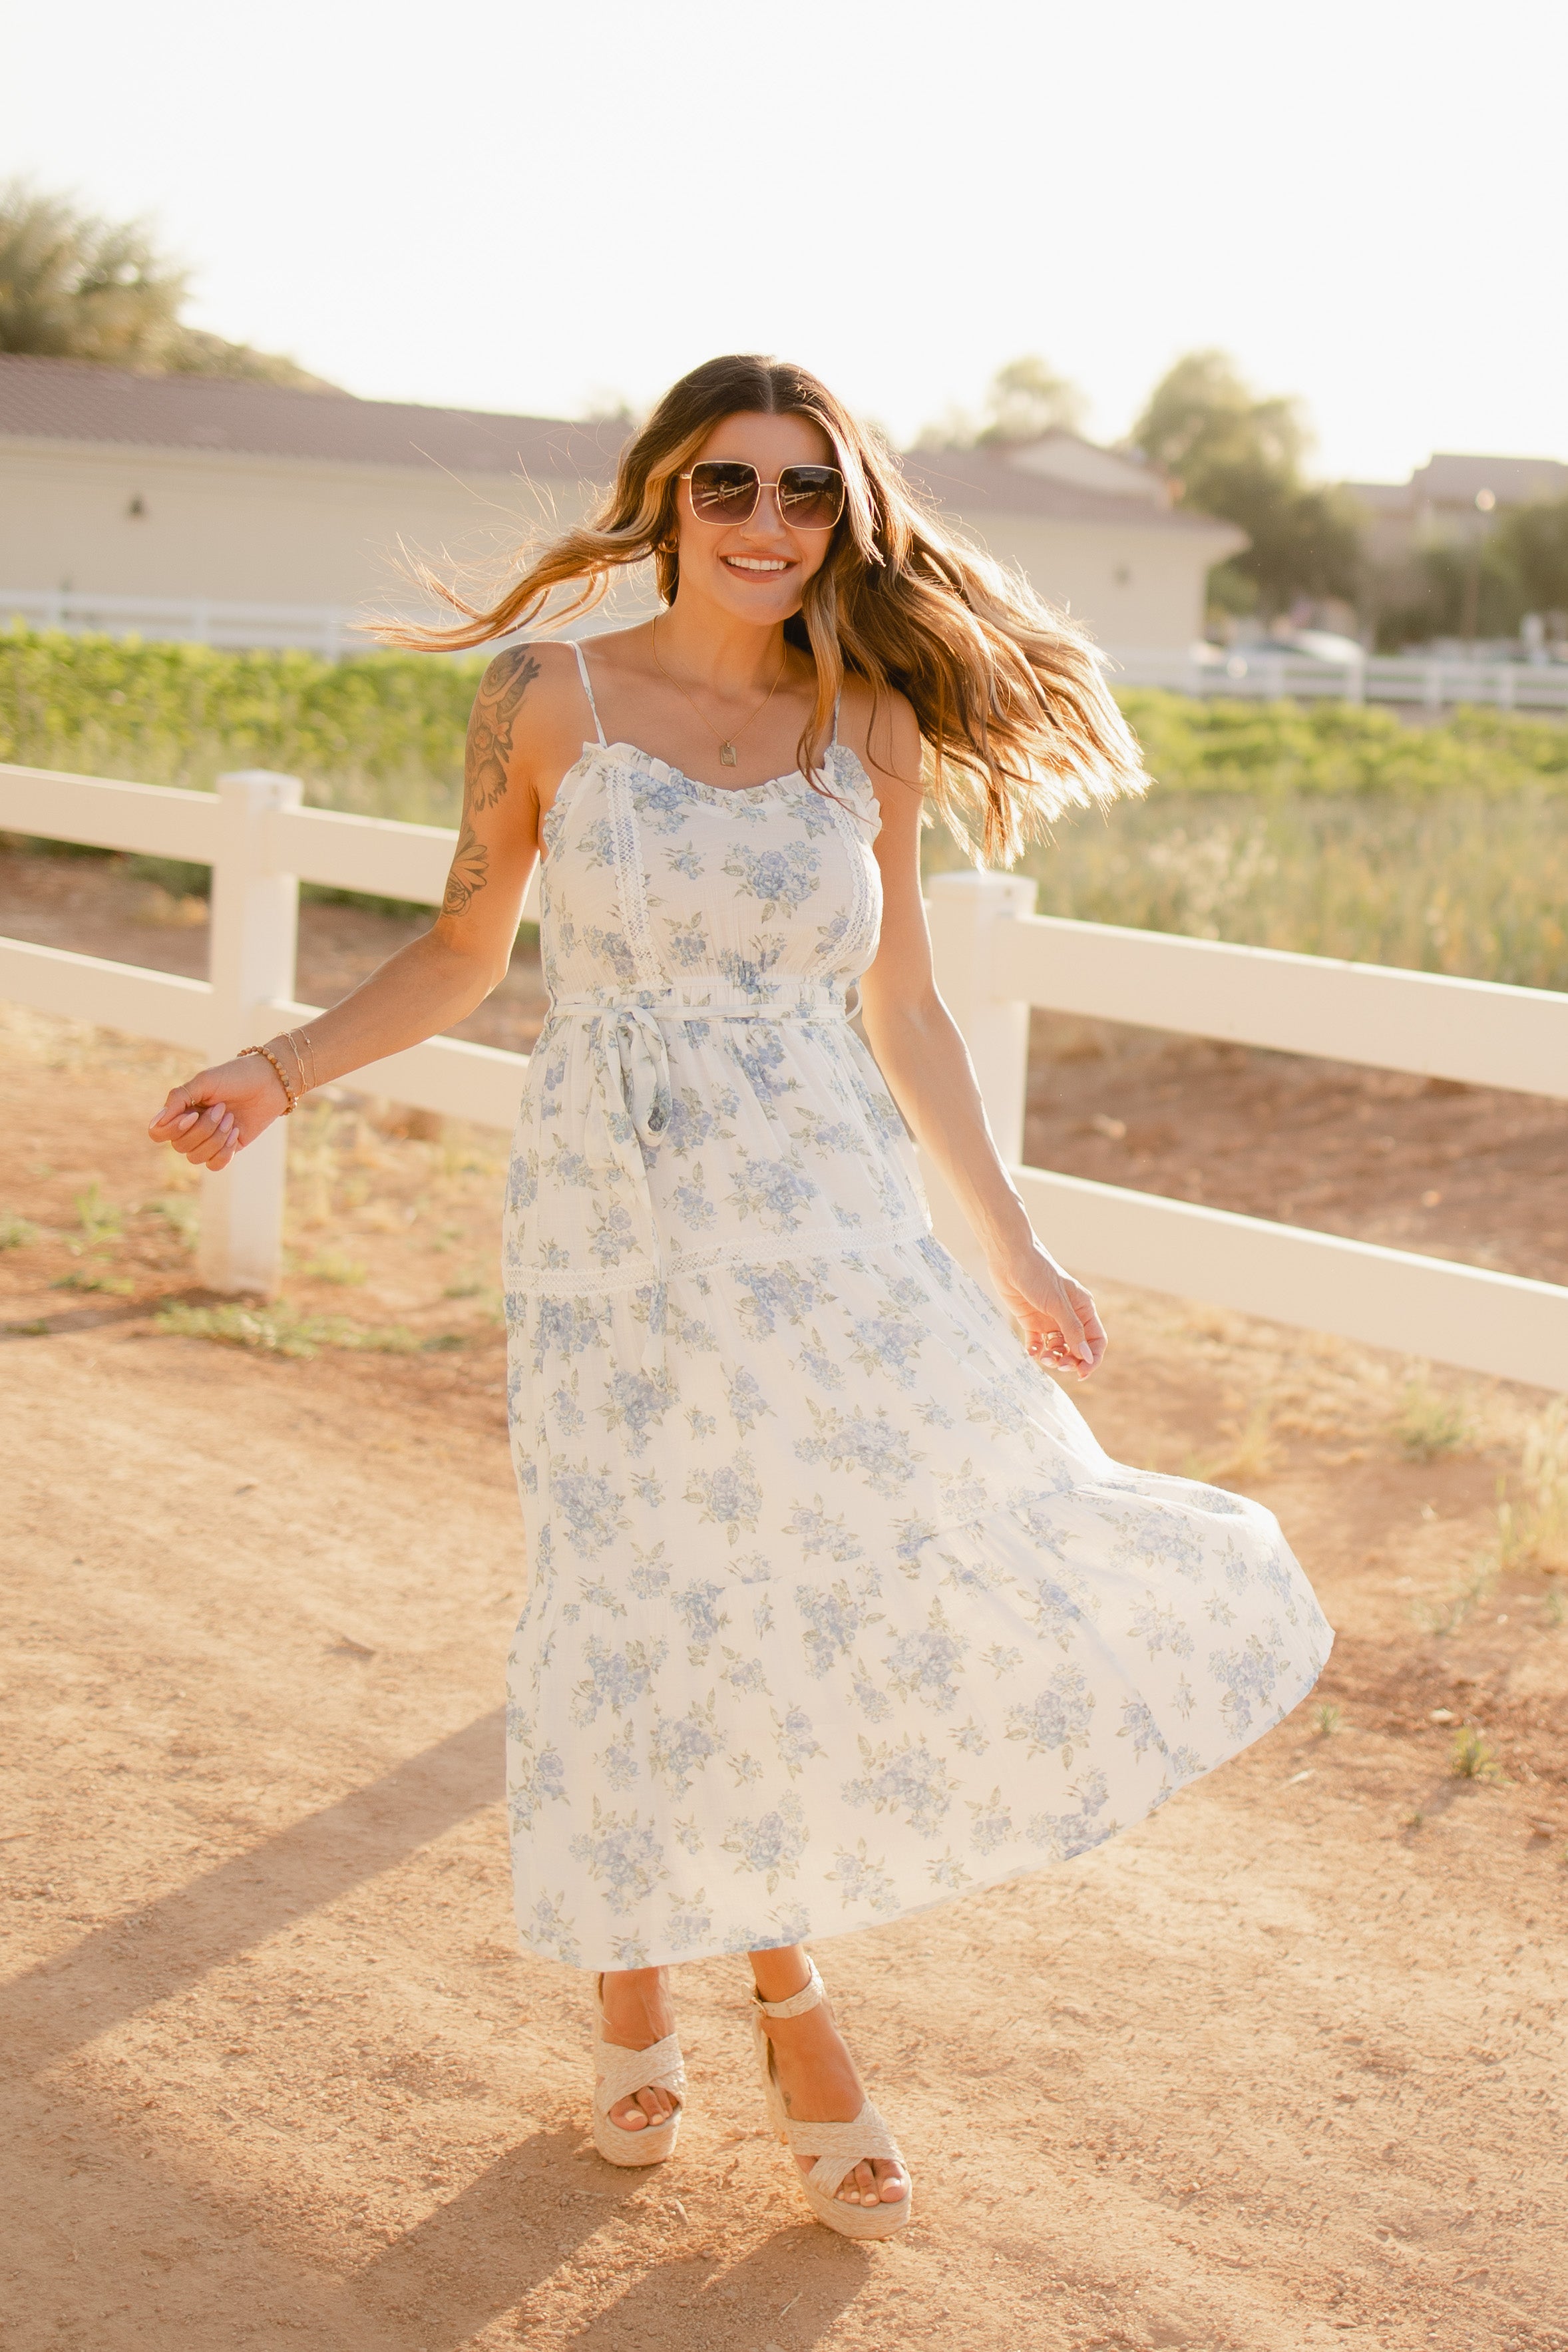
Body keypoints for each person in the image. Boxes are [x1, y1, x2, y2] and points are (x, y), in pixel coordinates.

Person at [149, 353, 1331, 2240]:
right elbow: (467, 949)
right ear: (664, 499)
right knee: (640, 1581)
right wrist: (279, 1071)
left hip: (823, 1218)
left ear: (842, 519)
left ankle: (769, 1986)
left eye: (803, 495)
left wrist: (1009, 1246)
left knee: (824, 1569)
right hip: (611, 1213)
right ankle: (689, 1988)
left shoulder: (868, 724)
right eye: (729, 489)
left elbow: (909, 1009)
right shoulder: (551, 695)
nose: (768, 528)